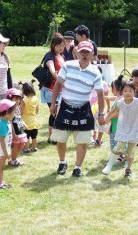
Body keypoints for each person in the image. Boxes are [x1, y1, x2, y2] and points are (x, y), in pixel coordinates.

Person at [50, 41, 105, 177]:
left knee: (83, 141)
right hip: (65, 106)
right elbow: (57, 85)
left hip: (83, 108)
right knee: (60, 138)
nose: (84, 54)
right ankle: (62, 162)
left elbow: (100, 95)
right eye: (82, 52)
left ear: (93, 54)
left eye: (88, 52)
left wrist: (102, 114)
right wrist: (53, 104)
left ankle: (77, 167)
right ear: (77, 53)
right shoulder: (67, 66)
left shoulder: (95, 72)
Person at [40, 34, 65, 144]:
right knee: (54, 112)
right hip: (50, 90)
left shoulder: (61, 56)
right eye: (58, 45)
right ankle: (51, 137)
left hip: (59, 89)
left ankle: (55, 136)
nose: (61, 48)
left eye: (62, 45)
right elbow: (52, 70)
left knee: (57, 112)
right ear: (53, 45)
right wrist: (60, 80)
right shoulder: (49, 56)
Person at [101, 75, 126, 175]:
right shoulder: (118, 98)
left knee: (119, 145)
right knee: (115, 145)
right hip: (115, 127)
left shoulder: (121, 100)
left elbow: (118, 112)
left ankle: (123, 159)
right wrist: (102, 96)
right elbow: (112, 98)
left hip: (119, 127)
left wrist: (108, 117)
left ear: (115, 89)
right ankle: (119, 157)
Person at [0, 99, 16, 189]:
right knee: (0, 167)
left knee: (2, 167)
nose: (14, 114)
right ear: (7, 112)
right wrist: (6, 153)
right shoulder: (3, 125)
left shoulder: (5, 121)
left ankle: (1, 182)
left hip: (3, 149)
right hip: (1, 150)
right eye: (13, 112)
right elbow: (2, 141)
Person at [6, 88, 26, 166]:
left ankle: (14, 158)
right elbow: (10, 122)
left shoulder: (17, 107)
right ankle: (13, 160)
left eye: (19, 99)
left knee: (22, 143)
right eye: (16, 99)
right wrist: (13, 133)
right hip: (14, 130)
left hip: (19, 128)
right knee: (17, 144)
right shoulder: (9, 110)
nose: (18, 101)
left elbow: (19, 116)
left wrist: (23, 123)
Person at [90, 67, 110, 146]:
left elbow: (106, 95)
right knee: (92, 123)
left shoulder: (103, 83)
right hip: (90, 106)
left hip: (100, 106)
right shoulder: (88, 83)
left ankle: (99, 139)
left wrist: (108, 106)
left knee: (102, 122)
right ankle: (93, 139)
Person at [20, 80, 42, 152]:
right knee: (34, 136)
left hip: (26, 120)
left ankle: (26, 149)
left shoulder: (24, 100)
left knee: (27, 136)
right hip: (34, 120)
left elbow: (21, 111)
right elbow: (37, 110)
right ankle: (34, 148)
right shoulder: (36, 98)